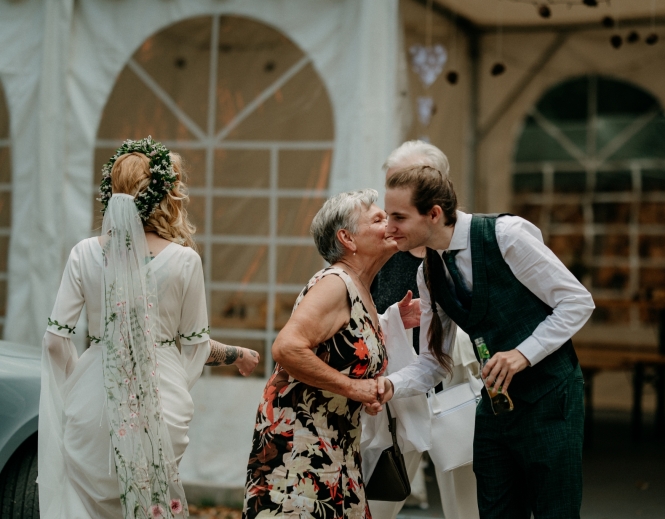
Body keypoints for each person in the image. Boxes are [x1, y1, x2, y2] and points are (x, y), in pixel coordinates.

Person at [38, 137, 259, 519]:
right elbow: (195, 347)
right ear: (165, 195)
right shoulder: (184, 261)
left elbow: (55, 342)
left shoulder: (83, 253)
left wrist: (81, 382)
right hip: (162, 402)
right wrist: (230, 357)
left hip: (90, 406)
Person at [380, 165, 595, 519]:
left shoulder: (507, 235)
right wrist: (387, 386)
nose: (388, 227)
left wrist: (523, 354)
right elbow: (434, 362)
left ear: (434, 214)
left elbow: (576, 302)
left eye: (398, 217)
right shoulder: (428, 273)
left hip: (551, 397)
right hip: (495, 408)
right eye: (388, 216)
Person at [243, 189, 419, 519]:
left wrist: (392, 322)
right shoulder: (335, 283)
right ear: (347, 239)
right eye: (378, 219)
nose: (390, 224)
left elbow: (344, 350)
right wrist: (353, 388)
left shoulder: (360, 288)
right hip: (301, 444)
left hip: (337, 445)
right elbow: (286, 347)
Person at [367, 140, 479, 519]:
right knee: (377, 499)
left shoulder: (465, 242)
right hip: (396, 381)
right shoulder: (384, 242)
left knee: (466, 500)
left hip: (456, 379)